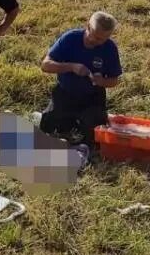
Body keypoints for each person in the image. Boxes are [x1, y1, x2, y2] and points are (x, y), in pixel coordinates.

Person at [38, 12, 123, 152]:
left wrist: (101, 81)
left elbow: (114, 81)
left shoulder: (109, 48)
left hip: (93, 96)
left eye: (102, 39)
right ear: (88, 26)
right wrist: (71, 67)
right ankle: (64, 122)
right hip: (66, 92)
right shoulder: (71, 38)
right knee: (49, 127)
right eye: (95, 36)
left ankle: (84, 129)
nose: (97, 41)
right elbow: (45, 65)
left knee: (94, 135)